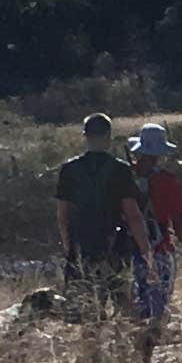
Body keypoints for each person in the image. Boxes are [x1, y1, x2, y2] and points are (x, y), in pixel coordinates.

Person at [50, 111, 151, 307]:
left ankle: (93, 337)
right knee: (124, 303)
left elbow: (62, 216)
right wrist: (146, 253)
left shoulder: (69, 170)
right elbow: (133, 216)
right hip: (114, 247)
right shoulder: (120, 170)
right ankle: (128, 337)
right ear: (108, 136)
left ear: (85, 136)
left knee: (86, 307)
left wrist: (68, 247)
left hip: (81, 247)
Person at [126, 121, 182, 330]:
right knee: (159, 305)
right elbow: (179, 222)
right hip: (160, 248)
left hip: (128, 250)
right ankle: (150, 344)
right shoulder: (167, 180)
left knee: (136, 307)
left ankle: (138, 346)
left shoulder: (125, 176)